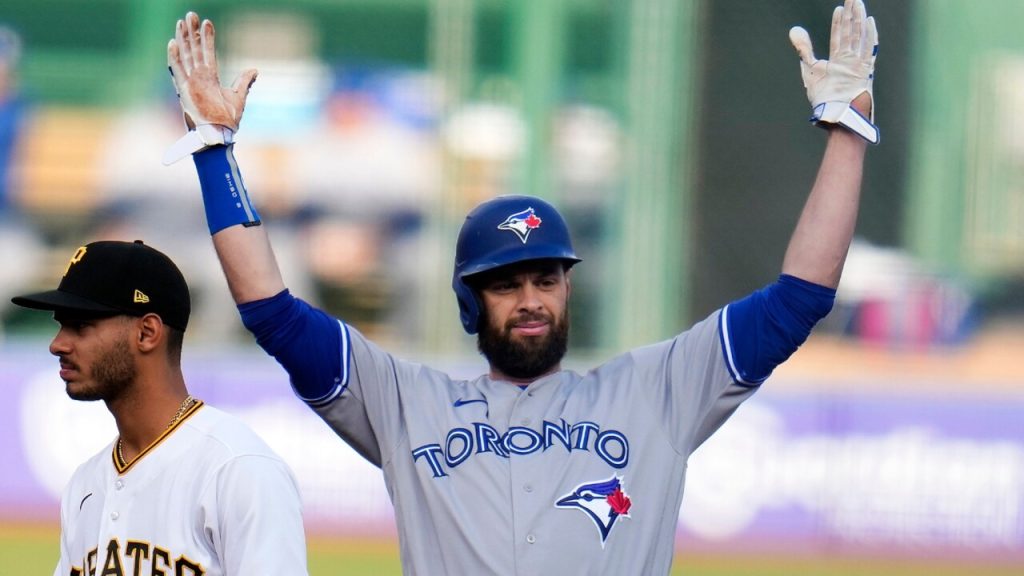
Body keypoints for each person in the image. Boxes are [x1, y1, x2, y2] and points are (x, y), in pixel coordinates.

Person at [164, 0, 877, 573]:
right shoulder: (405, 402)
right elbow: (272, 315)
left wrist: (847, 129)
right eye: (506, 285)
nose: (532, 298)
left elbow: (799, 299)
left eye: (546, 277)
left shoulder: (656, 391)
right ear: (470, 301)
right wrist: (215, 156)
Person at [11, 240, 308, 576]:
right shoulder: (85, 484)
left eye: (80, 325)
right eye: (61, 326)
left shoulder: (238, 469)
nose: (58, 344)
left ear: (147, 332)